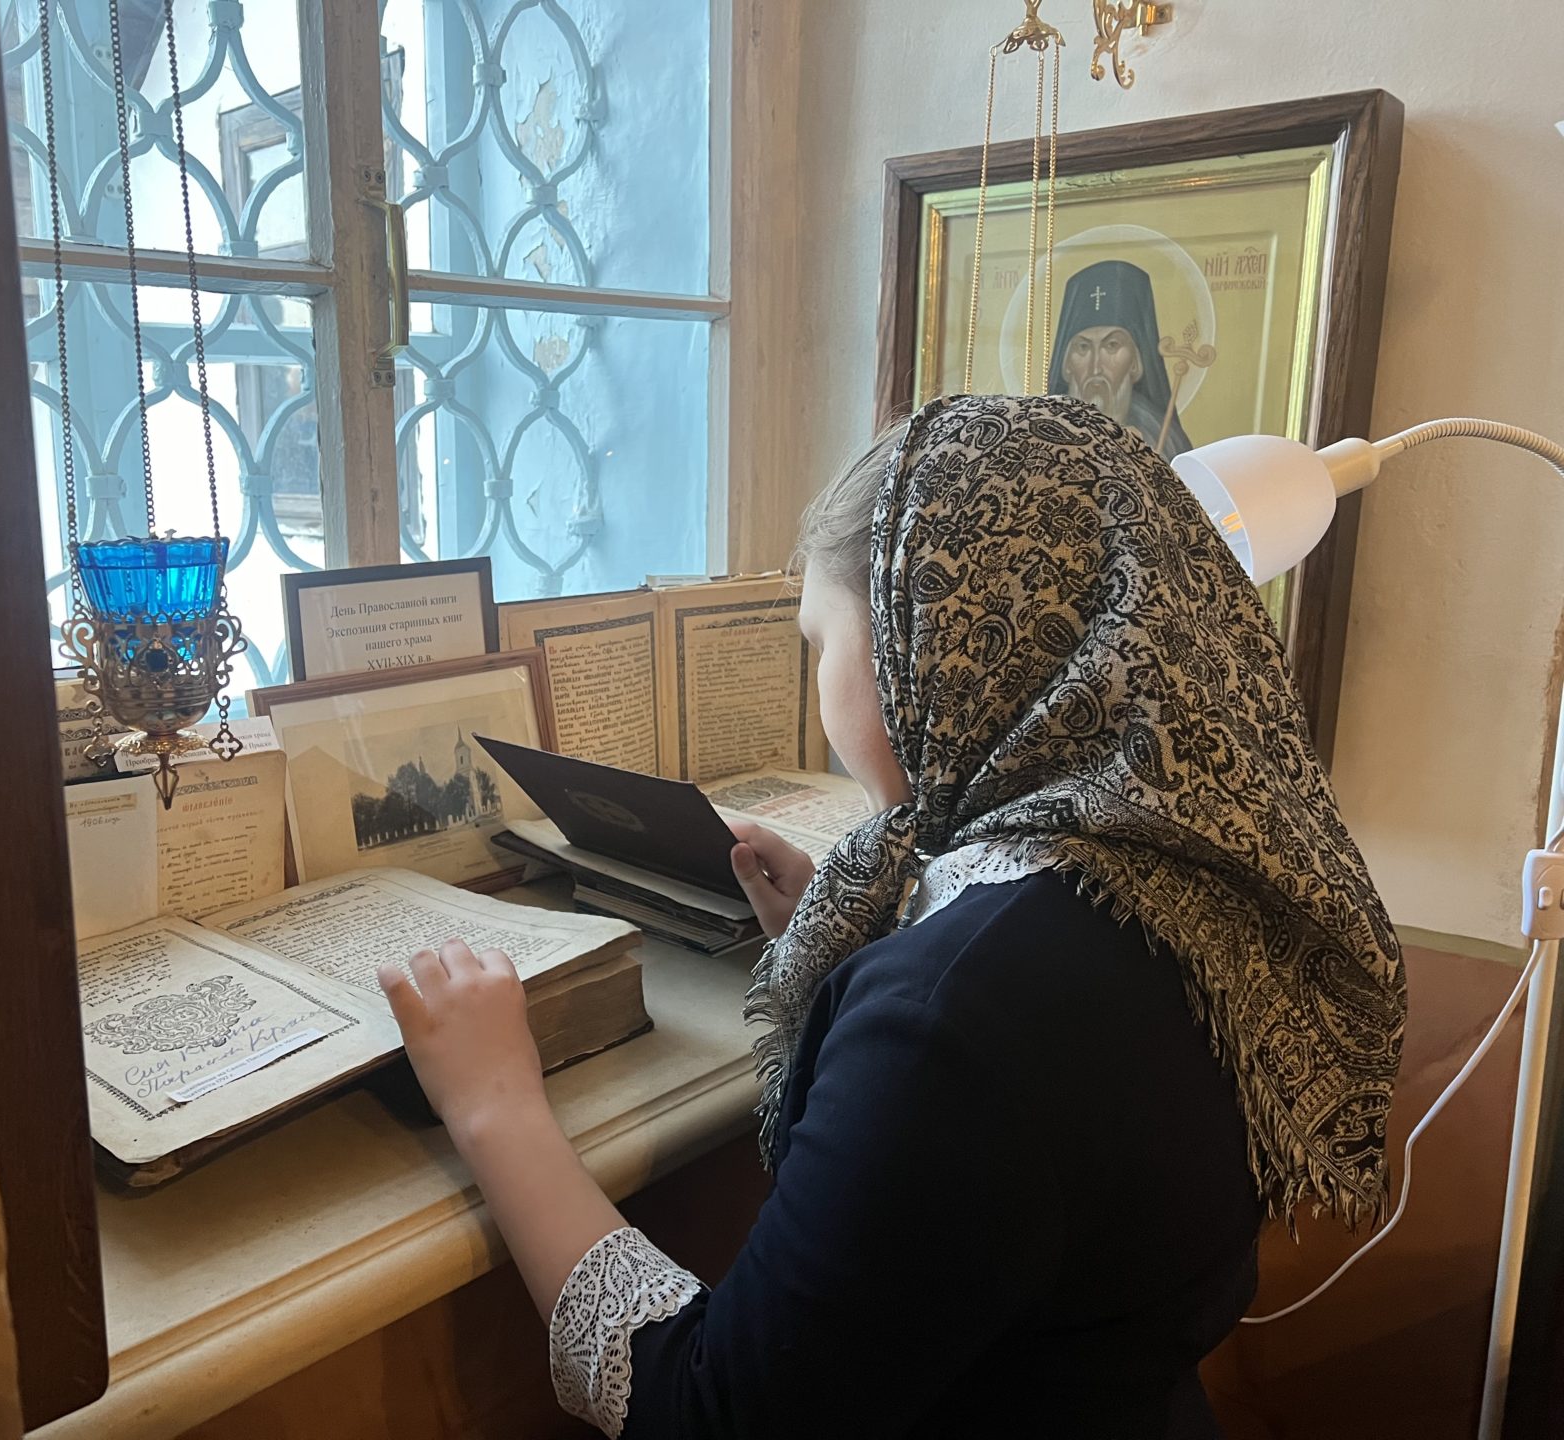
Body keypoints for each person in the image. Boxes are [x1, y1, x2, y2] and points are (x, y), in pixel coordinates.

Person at [375, 394, 1406, 1438]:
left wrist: (494, 1103)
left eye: (820, 642)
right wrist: (848, 950)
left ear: (928, 647)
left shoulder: (954, 1019)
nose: (823, 690)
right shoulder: (1195, 872)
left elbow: (711, 1413)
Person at [1048, 257, 1195, 461]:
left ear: (1135, 363)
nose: (1096, 368)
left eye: (1112, 345)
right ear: (1066, 366)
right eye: (1083, 347)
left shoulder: (1165, 440)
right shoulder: (1043, 431)